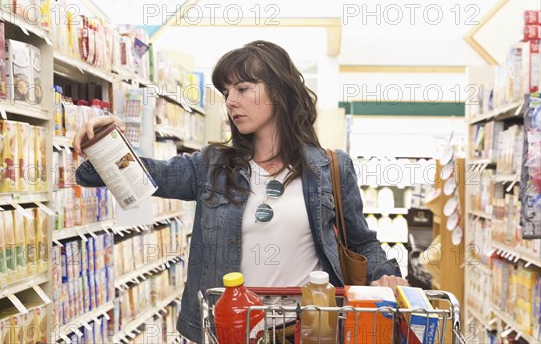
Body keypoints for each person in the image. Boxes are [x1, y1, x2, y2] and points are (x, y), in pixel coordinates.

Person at [74, 40, 407, 343]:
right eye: (226, 92)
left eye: (243, 88)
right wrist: (104, 143)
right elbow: (130, 176)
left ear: (279, 91)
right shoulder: (211, 167)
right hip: (232, 331)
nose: (231, 101)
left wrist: (386, 276)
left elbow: (361, 241)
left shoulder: (330, 168)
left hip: (308, 331)